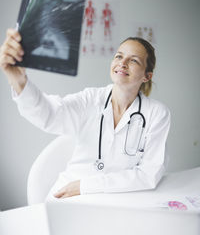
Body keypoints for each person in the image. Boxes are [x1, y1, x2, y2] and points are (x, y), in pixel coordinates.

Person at [0, 28, 170, 200]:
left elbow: (149, 174)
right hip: (68, 194)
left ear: (147, 76)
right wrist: (19, 81)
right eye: (119, 56)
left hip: (114, 198)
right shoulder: (90, 99)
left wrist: (86, 186)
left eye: (133, 60)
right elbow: (50, 115)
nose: (122, 63)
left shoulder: (156, 114)